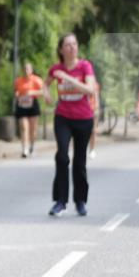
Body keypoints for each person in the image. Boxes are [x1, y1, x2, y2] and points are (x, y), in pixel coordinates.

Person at [43, 32, 97, 217]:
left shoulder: (85, 66)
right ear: (61, 49)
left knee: (79, 161)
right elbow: (45, 83)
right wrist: (47, 94)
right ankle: (60, 201)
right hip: (63, 118)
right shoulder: (55, 68)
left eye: (74, 44)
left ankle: (80, 201)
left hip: (84, 119)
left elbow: (90, 90)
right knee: (62, 157)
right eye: (68, 45)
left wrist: (70, 79)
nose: (72, 47)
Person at [14, 62, 43, 158]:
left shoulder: (36, 80)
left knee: (33, 129)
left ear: (31, 70)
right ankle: (24, 149)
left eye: (28, 69)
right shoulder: (18, 81)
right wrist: (17, 94)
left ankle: (31, 146)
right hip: (22, 104)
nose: (26, 71)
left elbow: (43, 91)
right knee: (23, 127)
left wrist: (32, 92)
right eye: (24, 69)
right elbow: (16, 91)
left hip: (32, 104)